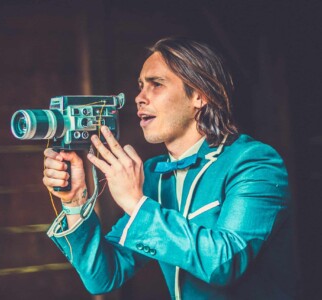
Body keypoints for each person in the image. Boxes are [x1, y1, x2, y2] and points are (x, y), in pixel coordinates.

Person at [43, 37, 297, 299]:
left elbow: (224, 263)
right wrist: (75, 202)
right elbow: (104, 276)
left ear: (199, 95)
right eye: (141, 86)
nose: (139, 98)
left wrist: (136, 203)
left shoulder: (254, 163)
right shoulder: (155, 175)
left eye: (156, 84)